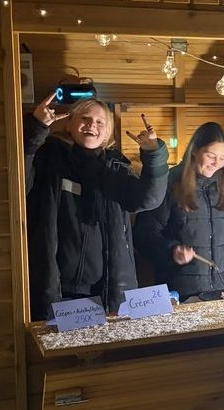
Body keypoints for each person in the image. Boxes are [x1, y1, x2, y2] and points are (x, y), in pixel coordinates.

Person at [24, 93, 169, 321]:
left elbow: (148, 199)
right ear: (69, 124)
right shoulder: (49, 159)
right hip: (57, 293)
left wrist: (154, 156)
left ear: (107, 132)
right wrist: (35, 128)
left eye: (100, 122)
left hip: (108, 293)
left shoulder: (116, 168)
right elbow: (19, 185)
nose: (92, 125)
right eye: (85, 118)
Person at [133, 122, 224, 299]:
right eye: (211, 156)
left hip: (220, 291)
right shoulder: (170, 184)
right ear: (195, 150)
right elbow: (143, 233)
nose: (216, 163)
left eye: (223, 158)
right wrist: (171, 250)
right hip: (179, 293)